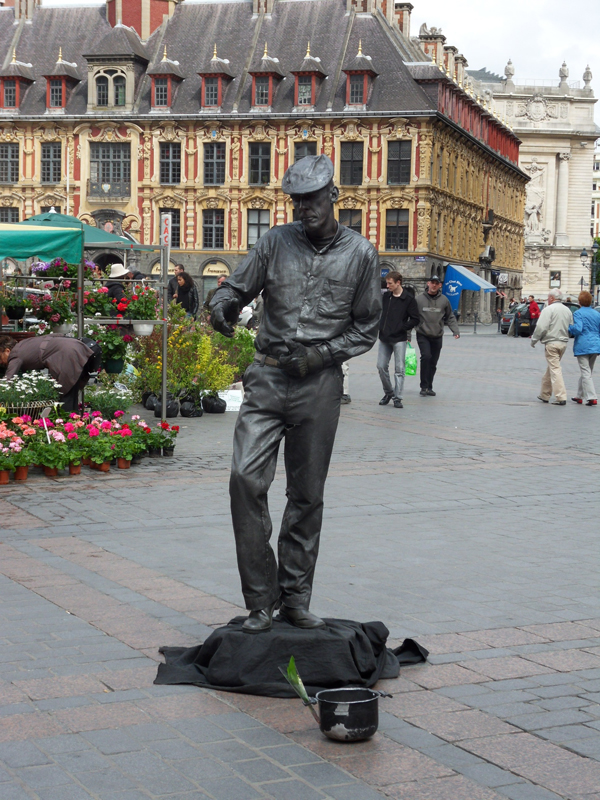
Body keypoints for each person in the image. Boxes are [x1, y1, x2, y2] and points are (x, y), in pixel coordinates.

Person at [209, 154, 380, 634]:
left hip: (318, 386)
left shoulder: (361, 254)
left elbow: (366, 327)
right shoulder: (274, 241)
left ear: (334, 196)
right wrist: (222, 303)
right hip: (267, 379)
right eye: (296, 201)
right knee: (244, 480)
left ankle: (296, 599)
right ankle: (260, 601)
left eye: (311, 199)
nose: (303, 208)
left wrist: (321, 356)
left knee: (306, 495)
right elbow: (236, 287)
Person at [0, 334, 97, 411]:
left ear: (7, 351)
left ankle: (66, 424)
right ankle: (74, 423)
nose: (0, 362)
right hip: (76, 348)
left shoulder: (15, 354)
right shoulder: (23, 344)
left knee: (64, 397)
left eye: (0, 357)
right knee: (71, 394)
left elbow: (7, 380)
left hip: (67, 354)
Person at [377, 271, 419, 408]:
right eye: (387, 283)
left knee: (399, 369)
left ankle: (397, 397)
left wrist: (402, 327)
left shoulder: (409, 299)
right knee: (381, 366)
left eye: (390, 283)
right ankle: (389, 392)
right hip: (384, 337)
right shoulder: (386, 296)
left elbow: (415, 319)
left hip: (399, 338)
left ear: (398, 283)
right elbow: (380, 312)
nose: (387, 286)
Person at [415, 275, 460, 397]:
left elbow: (450, 316)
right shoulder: (419, 299)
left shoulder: (444, 300)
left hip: (437, 335)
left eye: (436, 283)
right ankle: (423, 386)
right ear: (428, 283)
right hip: (423, 334)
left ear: (440, 285)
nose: (434, 285)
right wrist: (407, 333)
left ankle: (429, 386)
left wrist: (455, 331)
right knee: (426, 357)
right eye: (432, 283)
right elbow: (412, 316)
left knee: (433, 362)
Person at [531, 288, 573, 405]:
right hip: (563, 343)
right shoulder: (567, 310)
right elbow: (571, 326)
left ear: (551, 298)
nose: (547, 299)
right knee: (551, 368)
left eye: (548, 297)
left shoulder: (548, 310)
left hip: (552, 342)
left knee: (555, 369)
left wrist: (534, 340)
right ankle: (545, 394)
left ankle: (561, 396)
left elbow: (541, 327)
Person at [569, 290, 600, 406]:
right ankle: (579, 395)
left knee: (585, 372)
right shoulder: (597, 314)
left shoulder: (578, 313)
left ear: (580, 301)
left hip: (583, 344)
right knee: (587, 371)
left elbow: (578, 329)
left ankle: (592, 397)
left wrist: (569, 328)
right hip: (595, 344)